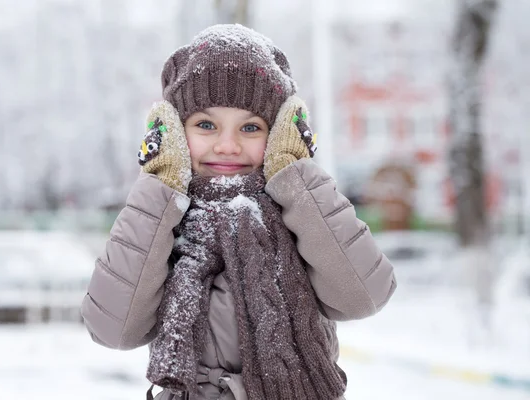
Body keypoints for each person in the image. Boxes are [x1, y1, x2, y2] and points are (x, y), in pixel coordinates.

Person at [81, 24, 397, 400]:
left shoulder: (301, 210)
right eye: (205, 125)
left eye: (250, 127)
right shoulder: (163, 218)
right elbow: (112, 329)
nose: (227, 145)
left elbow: (364, 295)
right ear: (176, 132)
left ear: (279, 133)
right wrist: (161, 186)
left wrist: (294, 176)